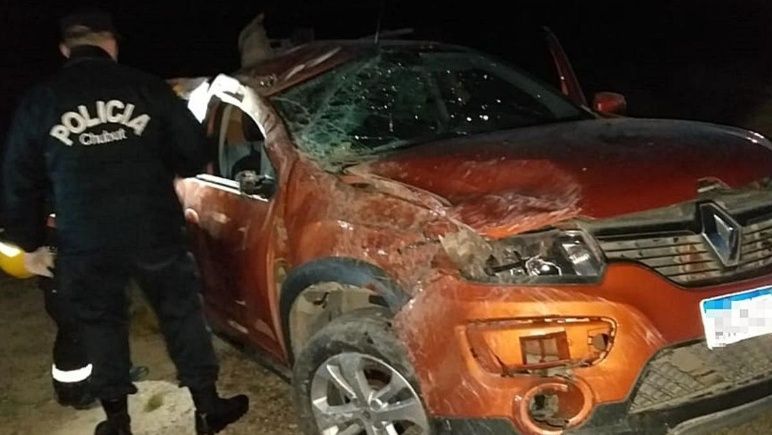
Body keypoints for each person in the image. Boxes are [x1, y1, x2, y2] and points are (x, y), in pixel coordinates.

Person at [2, 8, 249, 435]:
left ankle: (117, 422)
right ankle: (208, 406)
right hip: (154, 229)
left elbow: (17, 178)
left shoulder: (40, 100)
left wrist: (27, 243)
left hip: (85, 237)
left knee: (101, 324)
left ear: (65, 49)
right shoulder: (147, 87)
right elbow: (194, 153)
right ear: (111, 43)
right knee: (181, 315)